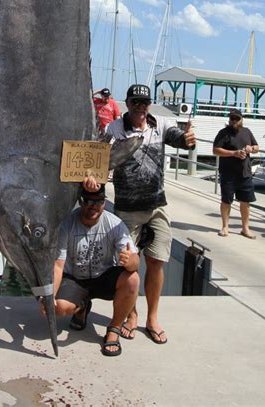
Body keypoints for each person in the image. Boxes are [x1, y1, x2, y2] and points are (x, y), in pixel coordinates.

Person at [84, 83, 196, 345]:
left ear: (149, 104)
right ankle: (131, 314)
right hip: (127, 210)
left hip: (157, 206)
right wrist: (90, 175)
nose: (140, 107)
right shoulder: (115, 129)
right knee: (128, 266)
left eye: (144, 102)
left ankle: (152, 318)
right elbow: (96, 156)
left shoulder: (162, 124)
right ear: (128, 103)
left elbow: (181, 139)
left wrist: (189, 140)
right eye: (135, 102)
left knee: (156, 262)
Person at [40, 184, 139, 357]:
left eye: (98, 201)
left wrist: (130, 261)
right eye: (87, 201)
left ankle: (114, 328)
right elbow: (57, 266)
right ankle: (82, 306)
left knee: (133, 279)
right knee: (60, 308)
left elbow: (135, 262)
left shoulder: (115, 224)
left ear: (104, 202)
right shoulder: (66, 225)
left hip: (103, 277)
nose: (93, 206)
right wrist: (48, 297)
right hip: (76, 279)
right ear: (80, 201)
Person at [213, 108, 259, 240]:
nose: (234, 121)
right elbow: (216, 150)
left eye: (236, 119)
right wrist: (234, 153)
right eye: (232, 119)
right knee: (226, 200)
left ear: (241, 119)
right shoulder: (223, 133)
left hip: (245, 173)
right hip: (228, 173)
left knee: (246, 201)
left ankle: (245, 228)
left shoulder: (247, 132)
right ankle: (225, 227)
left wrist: (251, 149)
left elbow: (256, 147)